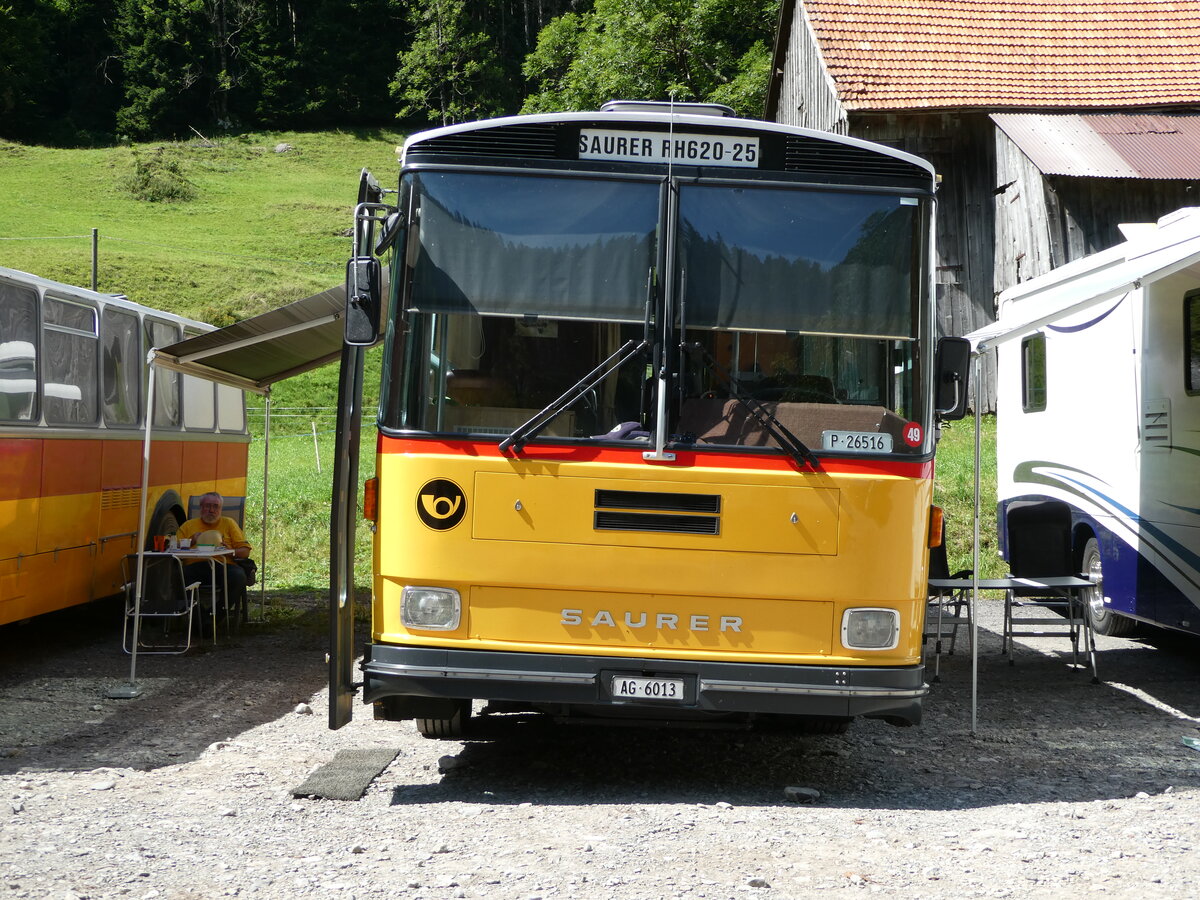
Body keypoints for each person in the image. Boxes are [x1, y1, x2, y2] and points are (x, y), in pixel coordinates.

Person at [177, 492, 252, 623]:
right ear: (201, 508)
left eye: (216, 507)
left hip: (222, 565)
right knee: (177, 575)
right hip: (195, 566)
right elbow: (173, 549)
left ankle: (216, 615)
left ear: (220, 509)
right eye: (207, 506)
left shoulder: (229, 523)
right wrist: (191, 541)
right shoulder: (188, 525)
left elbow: (245, 552)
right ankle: (198, 616)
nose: (211, 510)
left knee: (238, 576)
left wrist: (230, 550)